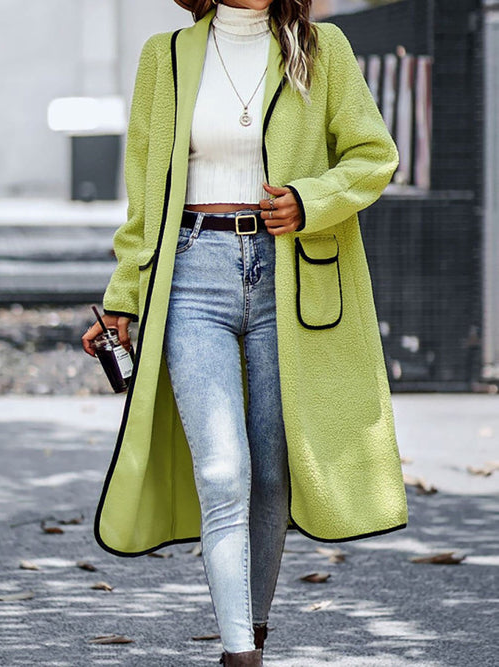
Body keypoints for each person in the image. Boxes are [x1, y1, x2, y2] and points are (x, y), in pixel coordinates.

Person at [82, 0, 409, 664]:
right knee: (223, 467)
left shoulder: (321, 48)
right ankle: (240, 651)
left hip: (288, 275)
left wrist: (311, 198)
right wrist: (123, 297)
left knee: (270, 467)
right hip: (192, 272)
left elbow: (374, 156)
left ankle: (251, 623)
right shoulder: (166, 55)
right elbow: (143, 196)